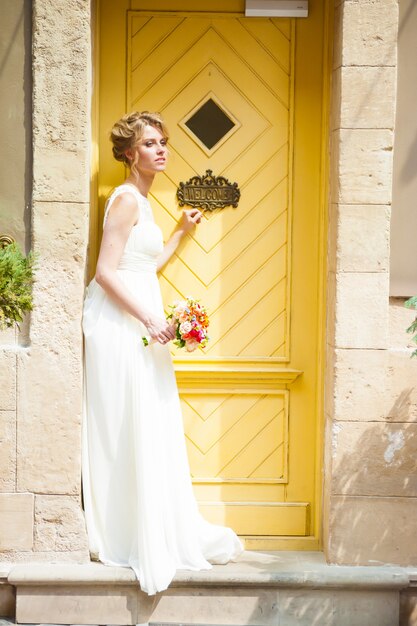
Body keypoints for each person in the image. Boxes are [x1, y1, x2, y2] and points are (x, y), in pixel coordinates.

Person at [82, 111, 243, 596]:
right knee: (127, 423)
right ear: (129, 153)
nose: (161, 149)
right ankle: (125, 533)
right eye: (150, 143)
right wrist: (150, 320)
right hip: (119, 324)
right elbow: (106, 273)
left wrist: (180, 231)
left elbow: (144, 264)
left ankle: (152, 523)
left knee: (149, 423)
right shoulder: (125, 200)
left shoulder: (145, 203)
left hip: (140, 322)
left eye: (163, 141)